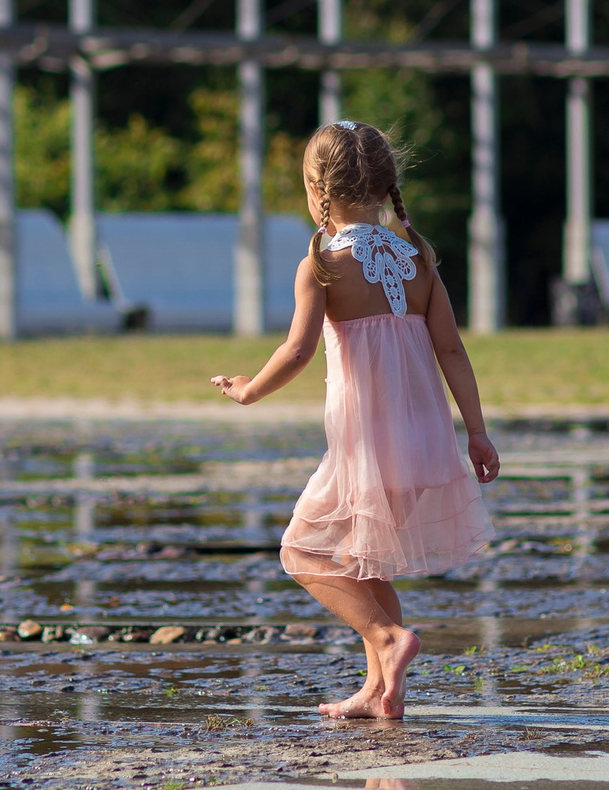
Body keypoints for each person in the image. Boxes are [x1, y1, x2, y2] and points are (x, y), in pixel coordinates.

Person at [211, 121, 499, 720]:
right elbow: (452, 352)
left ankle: (391, 640)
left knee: (303, 552)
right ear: (386, 185)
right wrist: (475, 430)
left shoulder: (321, 263)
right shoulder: (419, 258)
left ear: (318, 191)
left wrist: (247, 391)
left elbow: (296, 351)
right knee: (362, 561)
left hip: (364, 447)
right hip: (422, 444)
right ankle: (379, 689)